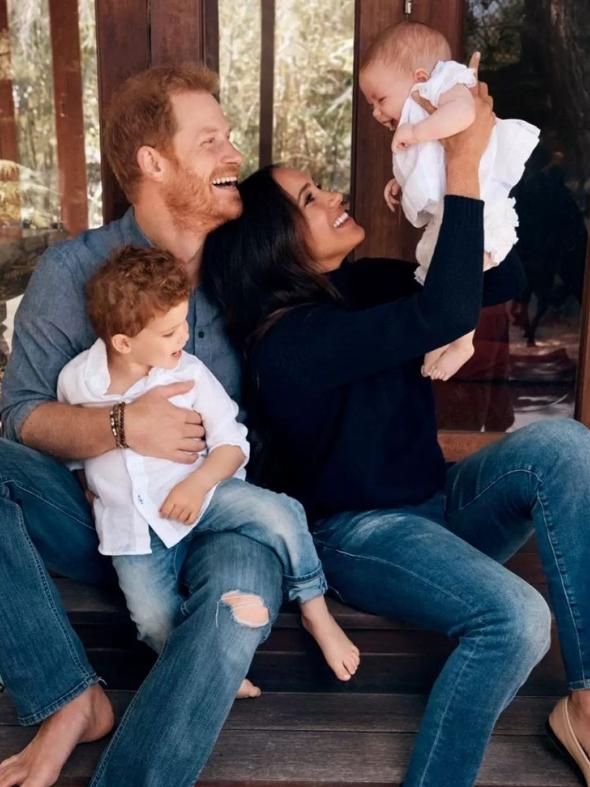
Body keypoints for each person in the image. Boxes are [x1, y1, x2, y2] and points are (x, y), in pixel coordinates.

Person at [202, 77, 590, 787]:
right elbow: (440, 316)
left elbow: (504, 281)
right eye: (310, 199)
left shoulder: (365, 284)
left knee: (566, 447)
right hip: (362, 535)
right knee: (516, 619)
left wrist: (443, 204)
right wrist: (465, 160)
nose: (334, 198)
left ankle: (588, 703)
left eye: (321, 187)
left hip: (439, 506)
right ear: (271, 244)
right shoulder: (287, 343)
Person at [0, 64, 299, 787]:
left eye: (229, 138)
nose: (233, 155)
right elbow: (18, 418)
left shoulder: (246, 265)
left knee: (234, 609)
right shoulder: (74, 271)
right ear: (152, 161)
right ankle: (69, 696)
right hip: (107, 521)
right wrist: (122, 424)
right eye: (210, 142)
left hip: (224, 512)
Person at [57, 244, 359, 681]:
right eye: (168, 332)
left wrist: (196, 485)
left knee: (281, 513)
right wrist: (87, 483)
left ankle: (315, 608)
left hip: (206, 492)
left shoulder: (189, 373)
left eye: (183, 323)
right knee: (151, 618)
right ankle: (205, 667)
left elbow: (233, 444)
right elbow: (73, 445)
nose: (183, 337)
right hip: (133, 529)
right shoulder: (78, 381)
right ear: (123, 342)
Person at [359, 22, 539, 381]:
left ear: (420, 77)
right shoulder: (422, 112)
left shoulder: (447, 86)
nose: (378, 113)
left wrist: (416, 131)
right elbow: (432, 164)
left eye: (380, 100)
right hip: (454, 207)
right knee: (437, 270)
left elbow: (464, 116)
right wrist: (400, 182)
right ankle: (444, 335)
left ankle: (462, 341)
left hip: (482, 205)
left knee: (462, 270)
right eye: (370, 105)